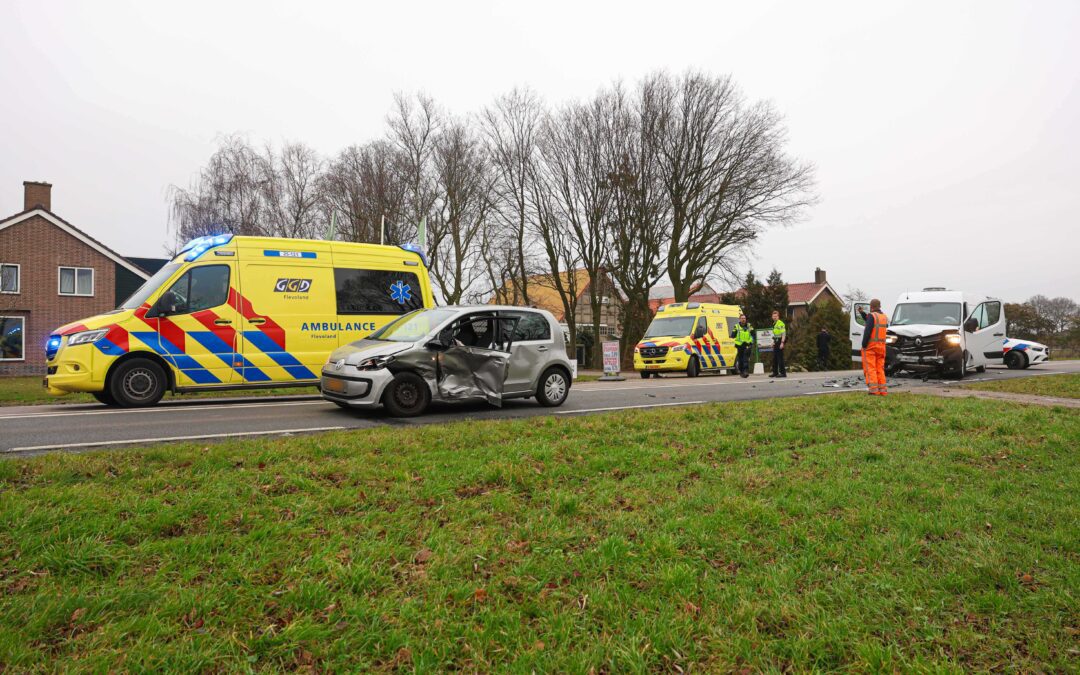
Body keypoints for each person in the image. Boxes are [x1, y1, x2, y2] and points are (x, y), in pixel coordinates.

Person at [862, 299, 889, 396]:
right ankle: (882, 390)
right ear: (879, 306)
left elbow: (868, 331)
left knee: (871, 368)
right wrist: (862, 314)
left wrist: (864, 345)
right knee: (880, 369)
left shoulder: (872, 316)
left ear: (871, 307)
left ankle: (873, 390)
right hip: (881, 347)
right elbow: (874, 323)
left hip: (871, 347)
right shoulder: (884, 317)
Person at [730, 314, 754, 378]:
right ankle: (741, 372)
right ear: (740, 319)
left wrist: (751, 342)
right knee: (740, 360)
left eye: (744, 318)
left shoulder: (749, 326)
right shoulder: (736, 326)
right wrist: (734, 332)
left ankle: (746, 371)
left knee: (745, 359)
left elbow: (753, 334)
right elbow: (733, 335)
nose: (743, 319)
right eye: (742, 318)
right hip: (739, 345)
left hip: (747, 345)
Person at [770, 310, 787, 378]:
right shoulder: (774, 323)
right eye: (773, 316)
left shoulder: (780, 323)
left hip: (780, 341)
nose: (774, 317)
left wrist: (782, 343)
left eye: (776, 316)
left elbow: (783, 334)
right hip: (776, 341)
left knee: (780, 358)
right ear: (772, 317)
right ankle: (775, 372)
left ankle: (783, 373)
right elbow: (775, 335)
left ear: (778, 316)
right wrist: (773, 342)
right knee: (775, 358)